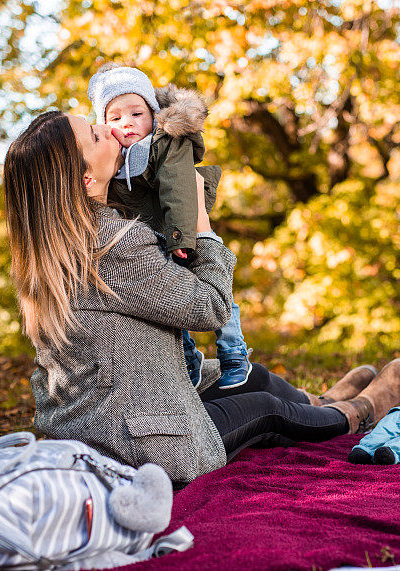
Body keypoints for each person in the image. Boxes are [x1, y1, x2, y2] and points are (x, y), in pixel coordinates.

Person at [2, 110, 400, 484]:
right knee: (269, 409)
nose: (109, 129)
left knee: (253, 375)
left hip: (102, 414)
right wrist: (201, 221)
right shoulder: (111, 246)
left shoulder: (53, 250)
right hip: (144, 446)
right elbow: (210, 306)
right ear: (86, 179)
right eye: (95, 136)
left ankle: (321, 401)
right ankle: (357, 414)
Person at [87, 63, 248, 389]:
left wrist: (183, 238)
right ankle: (190, 363)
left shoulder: (166, 143)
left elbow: (179, 189)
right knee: (174, 301)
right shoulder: (117, 158)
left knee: (217, 290)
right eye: (115, 118)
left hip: (187, 227)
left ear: (154, 112)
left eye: (136, 114)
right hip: (160, 237)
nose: (127, 124)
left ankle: (235, 354)